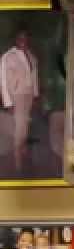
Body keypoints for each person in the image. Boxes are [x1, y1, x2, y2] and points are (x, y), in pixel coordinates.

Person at [0, 28, 39, 174]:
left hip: (28, 95)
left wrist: (35, 94)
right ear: (15, 39)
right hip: (16, 95)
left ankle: (23, 153)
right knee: (20, 128)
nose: (23, 40)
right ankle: (17, 161)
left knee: (25, 125)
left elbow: (34, 77)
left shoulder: (31, 55)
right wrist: (8, 102)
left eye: (26, 37)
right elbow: (3, 81)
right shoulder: (8, 56)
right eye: (20, 38)